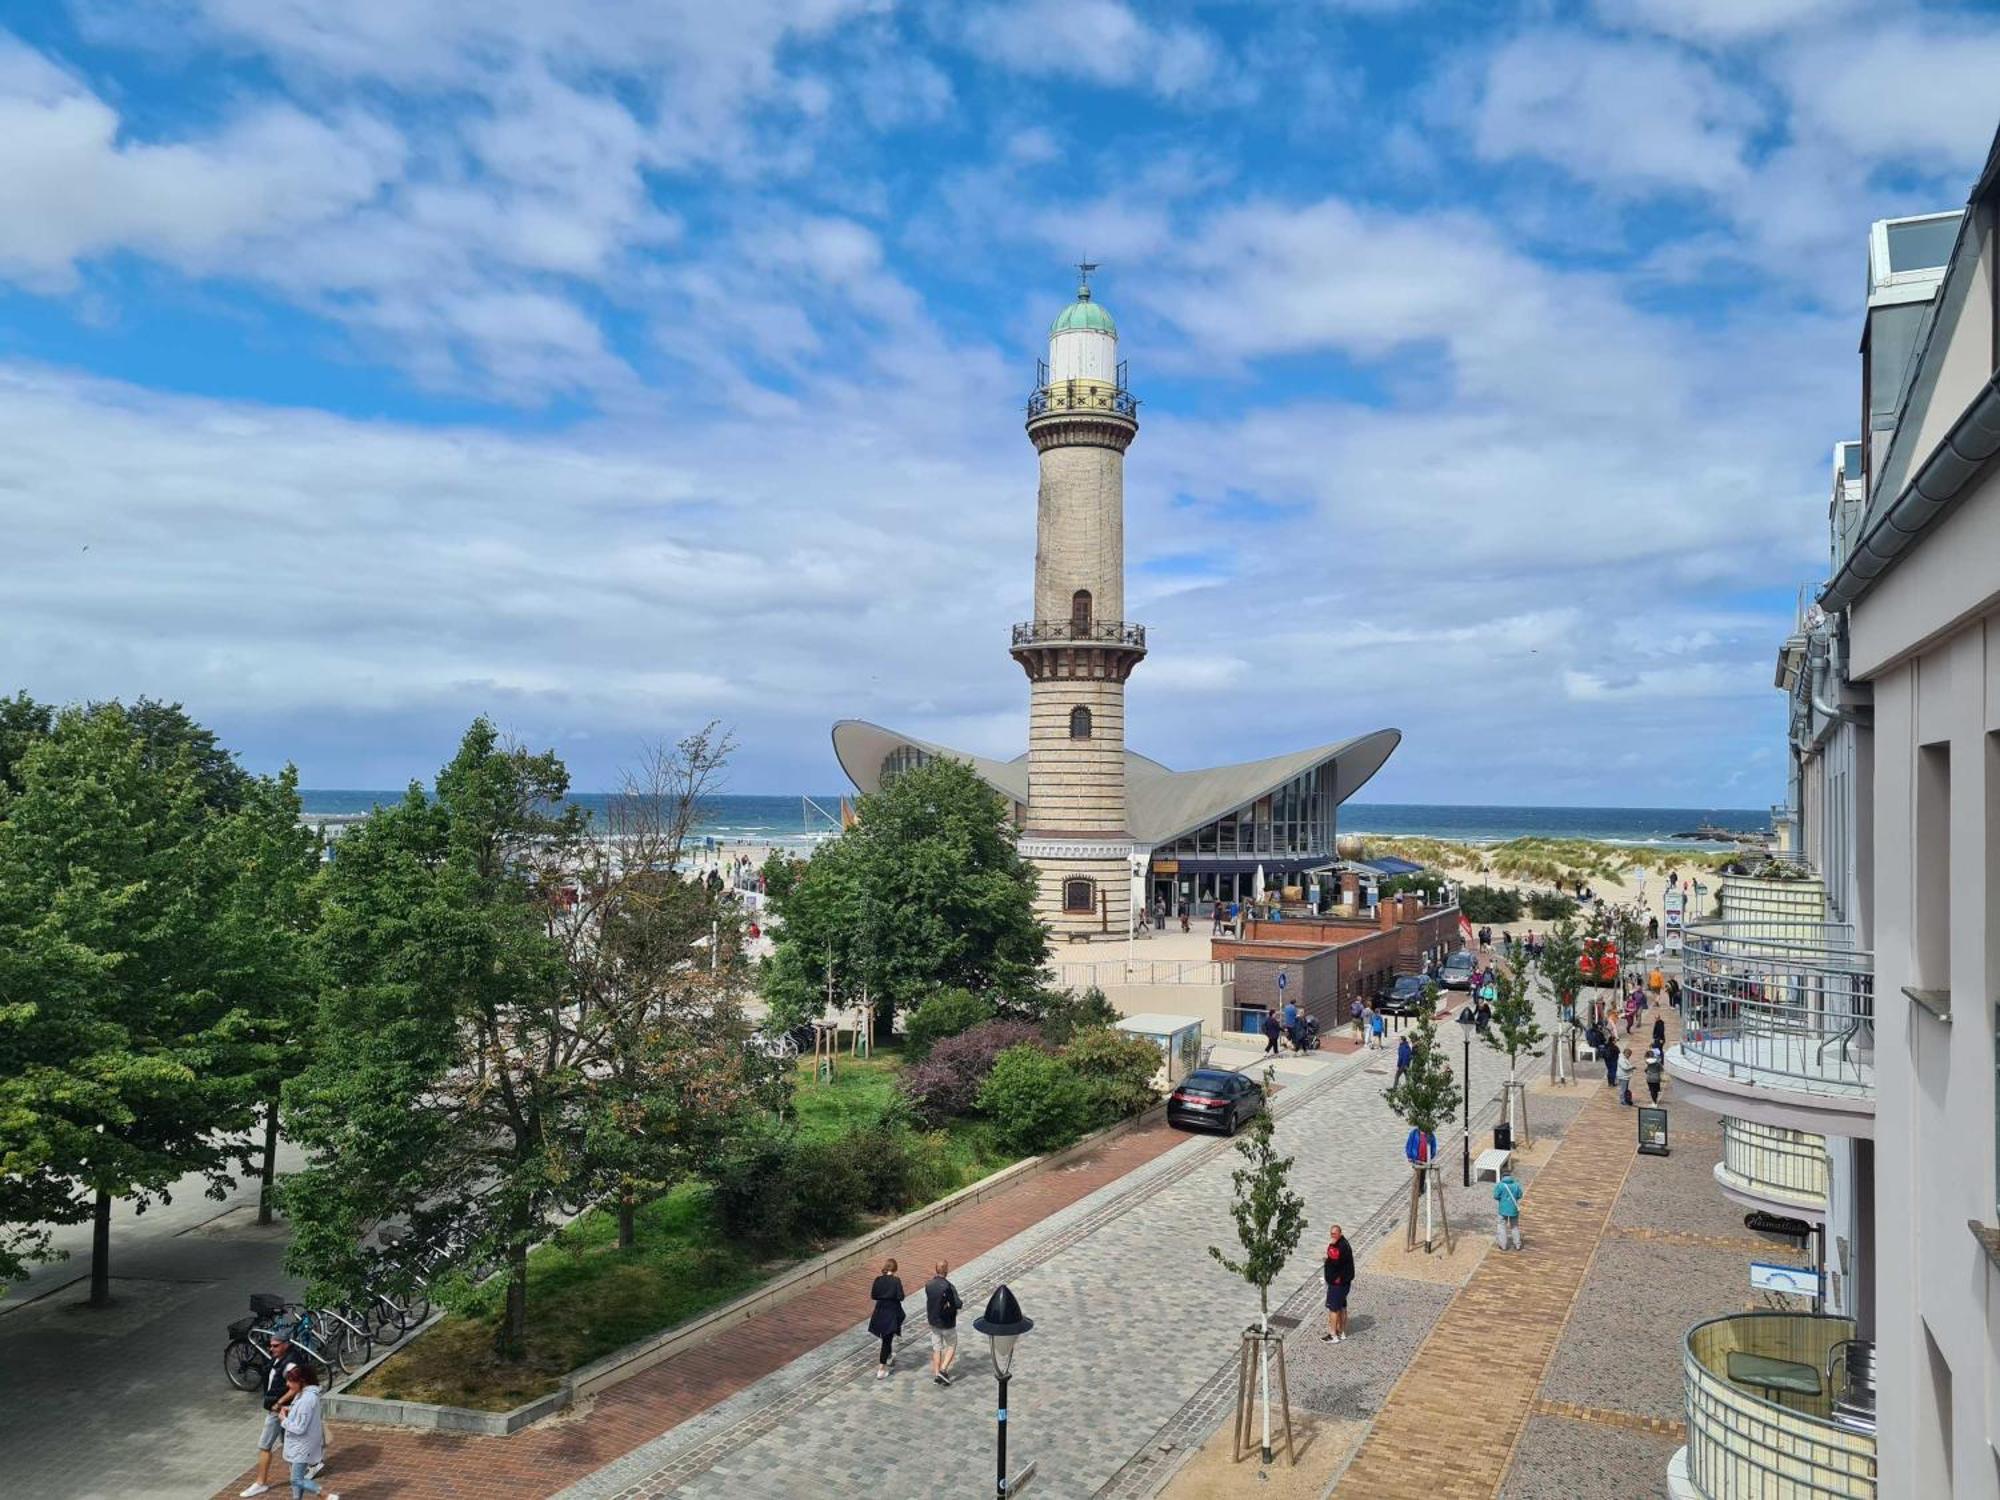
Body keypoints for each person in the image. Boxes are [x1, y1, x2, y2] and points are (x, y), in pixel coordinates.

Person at [240, 1328, 314, 1498]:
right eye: (270, 1345)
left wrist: (278, 1403)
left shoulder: (290, 1364)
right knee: (290, 1448)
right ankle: (306, 1472)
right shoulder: (281, 1358)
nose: (271, 1349)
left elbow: (295, 1388)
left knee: (265, 1445)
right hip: (285, 1410)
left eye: (275, 1345)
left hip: (281, 1410)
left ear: (286, 1345)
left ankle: (261, 1483)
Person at [274, 1361, 337, 1500]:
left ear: (301, 1381)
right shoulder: (304, 1394)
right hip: (300, 1445)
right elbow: (303, 1413)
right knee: (298, 1477)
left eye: (291, 1382)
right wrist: (290, 1409)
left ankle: (324, 1495)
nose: (288, 1385)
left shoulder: (306, 1399)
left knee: (296, 1479)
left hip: (301, 1446)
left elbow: (300, 1427)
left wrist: (284, 1420)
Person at [924, 1260, 962, 1387]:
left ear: (936, 1269)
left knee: (936, 1348)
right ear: (946, 1271)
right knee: (951, 1345)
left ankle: (936, 1375)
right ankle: (943, 1370)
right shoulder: (949, 1286)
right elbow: (957, 1304)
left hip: (934, 1322)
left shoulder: (928, 1284)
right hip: (947, 1323)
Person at [868, 1257, 905, 1378]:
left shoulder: (878, 1279)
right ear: (895, 1269)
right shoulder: (896, 1280)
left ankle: (888, 1355)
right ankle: (881, 1369)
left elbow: (873, 1295)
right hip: (891, 1311)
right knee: (887, 1340)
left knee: (886, 1336)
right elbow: (901, 1297)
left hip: (880, 1310)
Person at [1322, 1223, 1355, 1342]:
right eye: (1331, 1234)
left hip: (1337, 1284)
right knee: (1342, 1307)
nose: (1333, 1236)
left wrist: (1328, 1261)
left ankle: (1333, 1335)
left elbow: (1334, 1260)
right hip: (1345, 1282)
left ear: (1340, 1233)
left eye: (1335, 1234)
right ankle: (1342, 1331)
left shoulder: (1337, 1247)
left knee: (1333, 1309)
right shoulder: (1345, 1243)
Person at [1493, 1167, 1524, 1251]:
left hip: (1503, 1209)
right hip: (1513, 1209)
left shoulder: (1500, 1185)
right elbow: (1520, 1195)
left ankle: (1503, 1245)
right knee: (1514, 1226)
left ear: (1502, 1176)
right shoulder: (1516, 1185)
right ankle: (1517, 1245)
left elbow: (1495, 1196)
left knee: (1501, 1226)